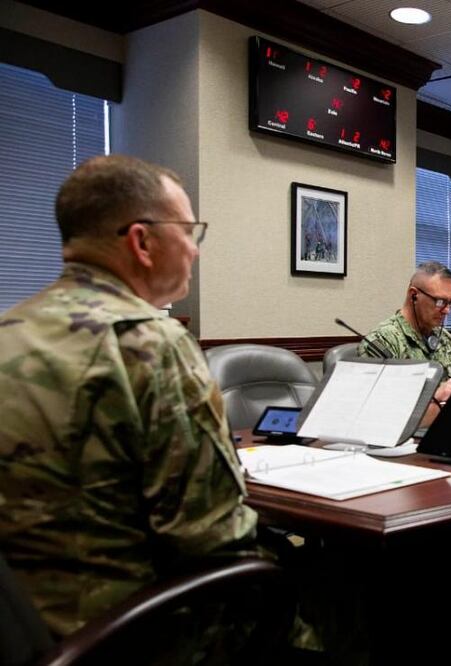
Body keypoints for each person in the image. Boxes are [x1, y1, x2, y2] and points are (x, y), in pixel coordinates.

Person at [0, 155, 262, 637]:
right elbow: (214, 536)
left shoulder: (10, 328)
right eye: (189, 232)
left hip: (31, 631)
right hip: (132, 633)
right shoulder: (148, 342)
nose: (195, 251)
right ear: (142, 241)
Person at [361, 261, 451, 400]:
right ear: (414, 295)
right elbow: (380, 407)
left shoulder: (448, 340)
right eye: (440, 301)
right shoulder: (382, 343)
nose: (447, 310)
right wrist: (434, 397)